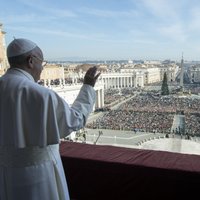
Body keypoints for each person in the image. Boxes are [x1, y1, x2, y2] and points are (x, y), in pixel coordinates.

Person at [0, 38, 100, 200]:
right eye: (42, 63)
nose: (41, 68)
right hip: (38, 175)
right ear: (31, 61)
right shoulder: (41, 94)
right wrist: (88, 87)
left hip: (3, 175)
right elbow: (74, 121)